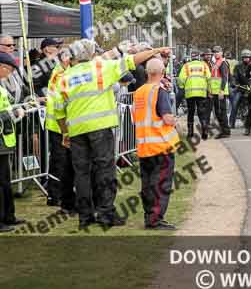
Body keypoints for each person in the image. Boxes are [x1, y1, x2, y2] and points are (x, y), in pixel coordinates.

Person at [52, 39, 169, 230]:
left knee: (82, 174)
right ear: (90, 54)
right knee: (104, 169)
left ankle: (85, 217)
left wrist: (65, 133)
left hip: (76, 132)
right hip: (100, 127)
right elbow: (132, 60)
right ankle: (106, 214)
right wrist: (155, 50)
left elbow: (58, 111)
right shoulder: (100, 68)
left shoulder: (64, 78)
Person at [133, 57, 180, 230]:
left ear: (147, 72)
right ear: (162, 72)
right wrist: (175, 121)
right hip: (161, 146)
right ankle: (155, 219)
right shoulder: (159, 91)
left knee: (147, 184)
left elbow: (134, 117)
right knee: (161, 184)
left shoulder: (139, 92)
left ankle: (149, 216)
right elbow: (167, 117)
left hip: (144, 146)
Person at [44, 47, 75, 212]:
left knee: (63, 162)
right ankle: (54, 196)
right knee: (59, 162)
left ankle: (59, 195)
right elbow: (60, 101)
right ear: (65, 59)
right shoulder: (61, 74)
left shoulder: (64, 71)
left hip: (60, 124)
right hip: (58, 125)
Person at [0, 53, 24, 232]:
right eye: (9, 70)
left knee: (6, 181)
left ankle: (9, 216)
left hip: (5, 140)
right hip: (1, 140)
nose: (9, 75)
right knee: (2, 182)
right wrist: (15, 114)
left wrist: (16, 109)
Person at [177, 51, 211, 140]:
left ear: (191, 57)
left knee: (191, 112)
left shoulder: (186, 66)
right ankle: (204, 129)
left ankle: (190, 133)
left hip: (190, 93)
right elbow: (209, 78)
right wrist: (209, 90)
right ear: (199, 57)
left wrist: (182, 86)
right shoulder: (204, 65)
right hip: (201, 93)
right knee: (201, 112)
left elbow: (181, 79)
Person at [208, 46, 231, 139]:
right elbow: (212, 78)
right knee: (218, 112)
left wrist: (221, 90)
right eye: (214, 52)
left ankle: (225, 131)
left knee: (221, 112)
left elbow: (225, 77)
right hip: (215, 92)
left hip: (220, 92)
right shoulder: (215, 63)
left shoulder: (223, 63)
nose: (215, 53)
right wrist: (211, 91)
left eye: (217, 52)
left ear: (221, 53)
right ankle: (223, 130)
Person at [229, 49, 251, 129]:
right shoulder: (238, 66)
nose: (246, 59)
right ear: (242, 58)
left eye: (248, 57)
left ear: (250, 58)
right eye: (244, 57)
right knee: (235, 104)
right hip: (241, 88)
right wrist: (234, 83)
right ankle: (231, 123)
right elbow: (234, 76)